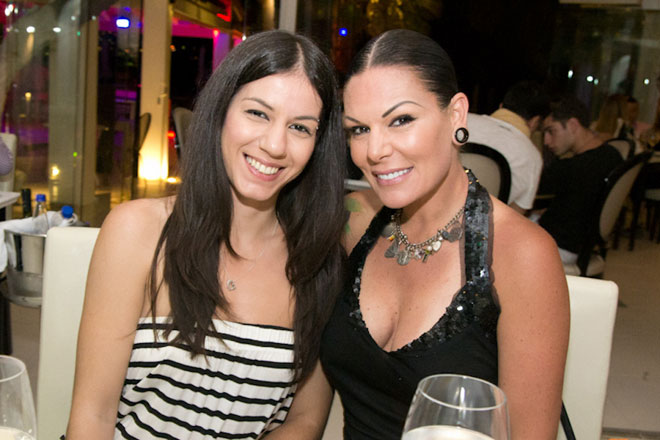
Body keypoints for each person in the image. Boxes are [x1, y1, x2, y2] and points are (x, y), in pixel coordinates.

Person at [66, 30, 346, 440]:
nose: (274, 144)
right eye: (258, 113)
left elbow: (304, 422)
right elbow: (93, 414)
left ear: (318, 143)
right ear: (221, 110)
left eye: (300, 127)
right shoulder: (137, 231)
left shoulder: (320, 262)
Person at [320, 29, 569, 439]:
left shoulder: (520, 253)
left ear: (456, 115)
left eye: (401, 120)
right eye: (359, 129)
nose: (374, 150)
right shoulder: (354, 220)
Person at [537, 94, 623, 264]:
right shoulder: (613, 155)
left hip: (558, 246)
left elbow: (533, 193)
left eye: (551, 131)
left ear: (573, 125)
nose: (546, 141)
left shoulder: (571, 168)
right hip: (587, 244)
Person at [467, 81, 549, 214]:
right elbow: (516, 213)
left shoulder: (462, 120)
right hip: (482, 225)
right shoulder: (532, 157)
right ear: (535, 122)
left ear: (501, 107)